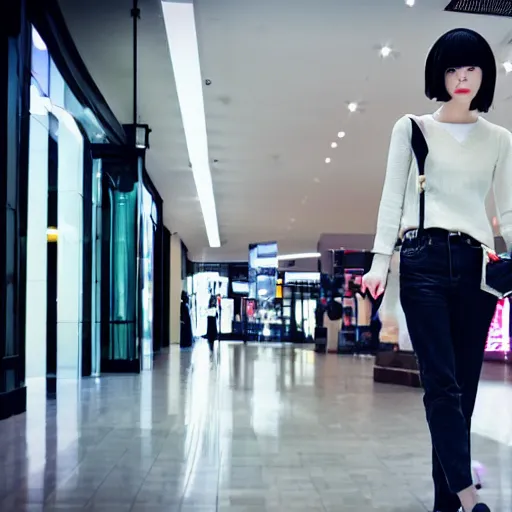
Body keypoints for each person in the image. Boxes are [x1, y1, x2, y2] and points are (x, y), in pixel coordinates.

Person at [362, 28, 512, 512]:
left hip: (478, 269)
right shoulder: (412, 128)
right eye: (451, 68)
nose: (461, 77)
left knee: (461, 394)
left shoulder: (500, 140)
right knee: (441, 385)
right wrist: (380, 261)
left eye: (470, 67)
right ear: (439, 75)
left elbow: (507, 212)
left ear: (485, 73)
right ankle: (469, 500)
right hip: (423, 262)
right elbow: (392, 198)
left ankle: (446, 506)